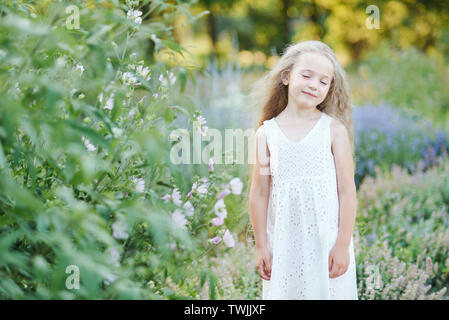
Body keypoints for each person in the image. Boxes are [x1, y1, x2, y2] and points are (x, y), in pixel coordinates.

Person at [248, 40, 358, 299]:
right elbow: (259, 194)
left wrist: (342, 245)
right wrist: (262, 246)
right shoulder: (266, 134)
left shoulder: (333, 131)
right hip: (284, 245)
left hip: (326, 245)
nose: (313, 85)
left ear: (330, 89)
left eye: (323, 81)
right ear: (286, 76)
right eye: (306, 75)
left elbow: (347, 192)